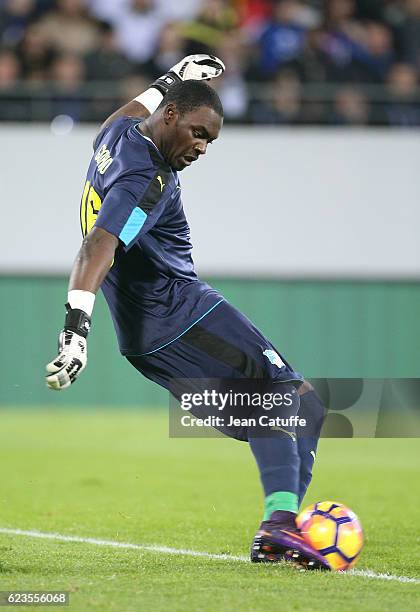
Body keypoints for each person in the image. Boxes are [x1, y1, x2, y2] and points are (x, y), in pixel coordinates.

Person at [45, 54, 328, 570]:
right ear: (171, 117)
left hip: (145, 337)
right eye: (198, 133)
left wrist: (175, 74)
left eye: (211, 142)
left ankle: (282, 528)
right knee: (284, 400)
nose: (201, 148)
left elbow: (125, 112)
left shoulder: (119, 136)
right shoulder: (146, 181)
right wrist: (75, 330)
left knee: (299, 410)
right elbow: (98, 247)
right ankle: (280, 530)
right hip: (181, 314)